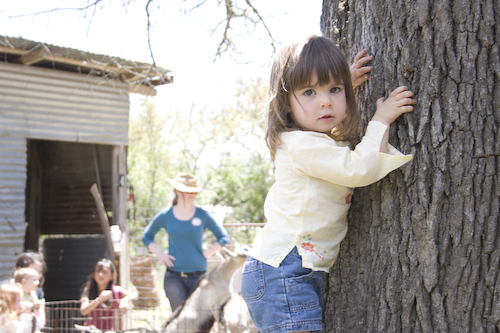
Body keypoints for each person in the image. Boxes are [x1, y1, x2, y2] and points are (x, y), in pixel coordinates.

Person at [240, 35, 416, 333]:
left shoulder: (308, 140)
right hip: (284, 272)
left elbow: (331, 134)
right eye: (309, 92)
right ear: (285, 103)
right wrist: (381, 120)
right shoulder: (302, 145)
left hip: (287, 271)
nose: (325, 101)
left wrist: (344, 84)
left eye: (334, 90)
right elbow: (359, 167)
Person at [142, 172, 230, 311]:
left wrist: (207, 252)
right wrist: (160, 255)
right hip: (174, 278)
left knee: (198, 320)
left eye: (195, 192)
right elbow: (147, 236)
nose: (192, 195)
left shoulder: (203, 214)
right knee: (179, 321)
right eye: (188, 192)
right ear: (177, 191)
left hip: (199, 277)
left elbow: (223, 237)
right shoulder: (166, 215)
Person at [79, 259, 138, 331]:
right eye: (98, 271)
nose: (100, 274)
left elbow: (135, 294)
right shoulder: (88, 290)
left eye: (104, 272)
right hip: (90, 330)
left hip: (108, 331)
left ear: (112, 275)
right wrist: (99, 299)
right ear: (93, 275)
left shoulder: (116, 291)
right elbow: (83, 311)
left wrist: (125, 300)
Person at [12, 268, 43, 333]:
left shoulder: (32, 293)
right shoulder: (17, 293)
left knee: (36, 320)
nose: (38, 282)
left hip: (28, 317)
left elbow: (35, 303)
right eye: (34, 280)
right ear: (24, 282)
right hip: (18, 318)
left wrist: (37, 304)